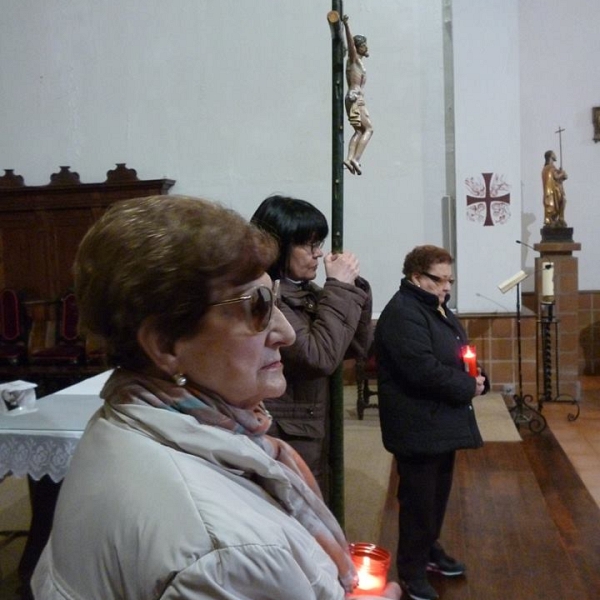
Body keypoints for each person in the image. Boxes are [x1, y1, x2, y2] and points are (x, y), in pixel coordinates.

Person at [31, 195, 399, 600]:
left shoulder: (119, 420)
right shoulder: (229, 554)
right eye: (257, 307)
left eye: (274, 299)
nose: (285, 333)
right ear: (166, 343)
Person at [375, 245, 489, 600]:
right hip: (417, 424)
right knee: (419, 501)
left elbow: (453, 353)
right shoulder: (403, 313)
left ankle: (428, 551)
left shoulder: (433, 307)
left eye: (449, 280)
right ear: (416, 278)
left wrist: (475, 374)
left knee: (436, 497)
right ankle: (410, 570)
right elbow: (421, 370)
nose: (446, 287)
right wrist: (467, 385)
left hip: (439, 421)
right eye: (439, 280)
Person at [251, 195, 372, 499]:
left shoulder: (309, 293)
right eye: (308, 245)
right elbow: (318, 357)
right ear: (278, 246)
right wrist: (341, 289)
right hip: (288, 430)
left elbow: (353, 347)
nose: (318, 254)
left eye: (319, 244)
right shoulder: (269, 297)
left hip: (312, 425)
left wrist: (353, 290)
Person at [342, 14, 373, 176]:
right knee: (369, 129)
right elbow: (350, 44)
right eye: (364, 45)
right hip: (355, 97)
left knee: (360, 131)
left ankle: (349, 158)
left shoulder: (358, 63)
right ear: (358, 46)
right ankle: (356, 158)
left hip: (354, 97)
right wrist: (347, 26)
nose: (366, 48)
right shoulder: (353, 60)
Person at [542, 149, 568, 227]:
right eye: (554, 154)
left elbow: (557, 179)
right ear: (550, 156)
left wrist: (562, 176)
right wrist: (562, 173)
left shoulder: (549, 168)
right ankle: (558, 219)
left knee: (563, 201)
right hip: (552, 192)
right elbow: (556, 177)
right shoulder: (549, 167)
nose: (555, 155)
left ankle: (560, 219)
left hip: (556, 191)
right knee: (561, 202)